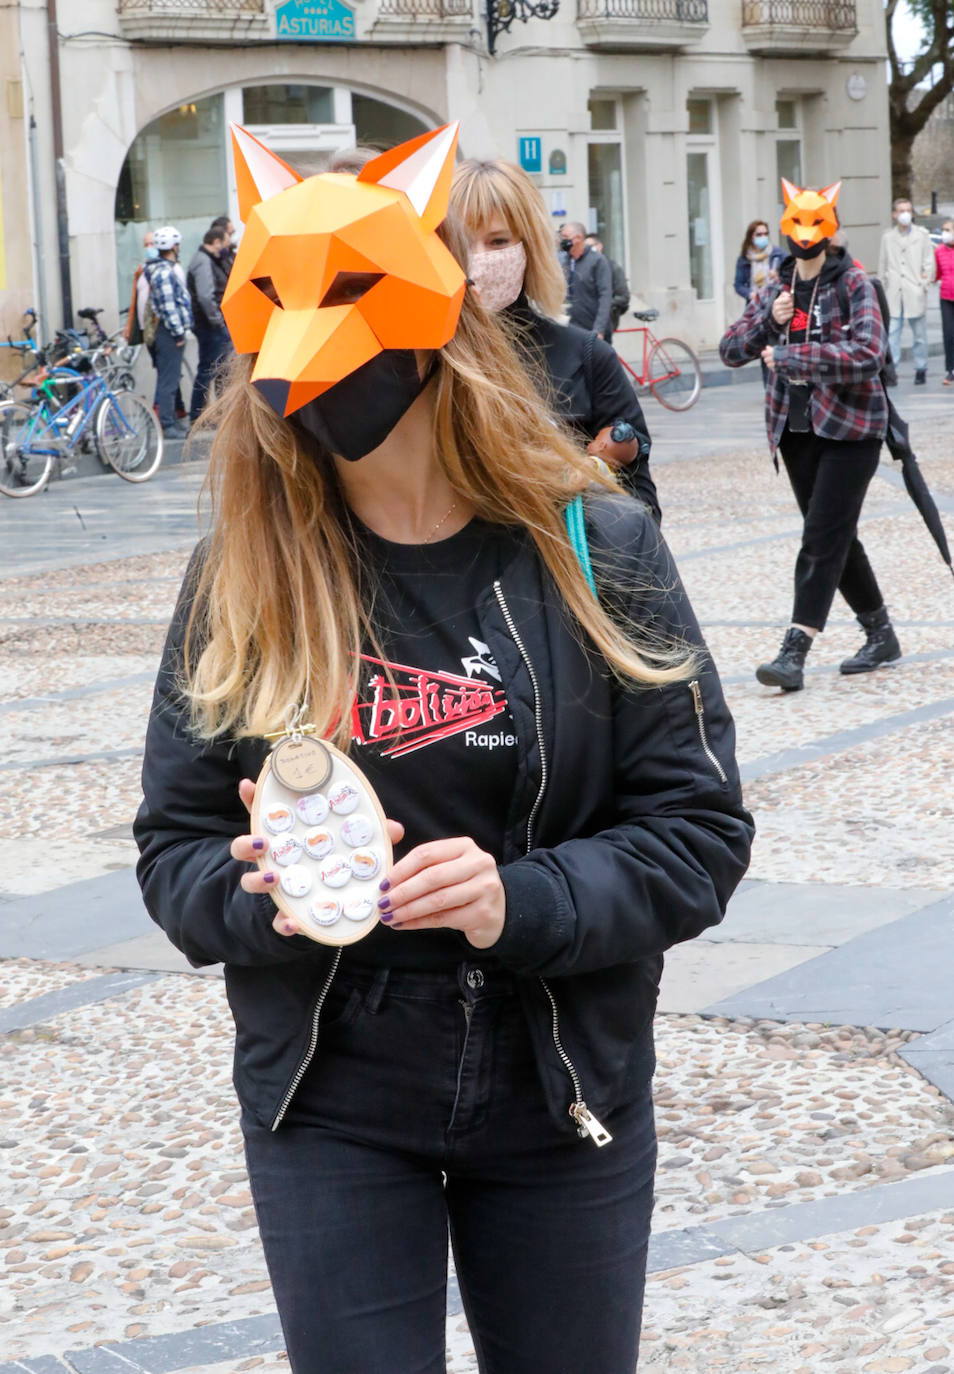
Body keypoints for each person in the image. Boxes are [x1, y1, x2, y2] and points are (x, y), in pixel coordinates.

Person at [135, 123, 753, 1374]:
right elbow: (173, 845)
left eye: (353, 292)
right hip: (332, 1097)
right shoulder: (247, 575)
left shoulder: (596, 549)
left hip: (558, 1087)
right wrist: (262, 898)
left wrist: (515, 901)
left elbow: (700, 832)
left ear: (434, 318)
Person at [720, 178, 902, 690]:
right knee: (836, 534)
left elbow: (869, 355)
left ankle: (794, 652)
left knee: (820, 537)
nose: (805, 235)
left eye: (814, 224)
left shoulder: (853, 284)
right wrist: (767, 325)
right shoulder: (773, 287)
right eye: (796, 224)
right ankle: (880, 632)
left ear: (830, 226)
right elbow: (729, 350)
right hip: (795, 431)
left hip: (851, 430)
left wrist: (795, 356)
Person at [452, 159, 660, 522]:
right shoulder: (422, 362)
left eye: (498, 240)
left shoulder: (588, 357)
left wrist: (583, 476)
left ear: (528, 247)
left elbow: (641, 512)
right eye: (464, 243)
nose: (479, 259)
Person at [878, 198, 935, 384]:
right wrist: (882, 289)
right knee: (892, 332)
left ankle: (921, 368)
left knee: (919, 334)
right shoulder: (888, 237)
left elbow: (929, 262)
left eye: (908, 210)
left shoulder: (922, 235)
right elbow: (882, 265)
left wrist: (923, 284)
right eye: (901, 210)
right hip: (894, 291)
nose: (905, 214)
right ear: (894, 215)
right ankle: (891, 369)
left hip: (914, 289)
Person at [143, 225, 193, 437]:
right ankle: (167, 424)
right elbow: (168, 306)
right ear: (173, 246)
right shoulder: (164, 272)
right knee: (168, 380)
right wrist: (178, 332)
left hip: (167, 332)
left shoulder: (161, 269)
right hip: (168, 333)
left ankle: (171, 419)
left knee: (170, 377)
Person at [187, 224, 233, 423]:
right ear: (216, 242)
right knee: (208, 370)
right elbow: (206, 296)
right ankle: (197, 416)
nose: (228, 246)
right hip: (210, 326)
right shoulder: (203, 261)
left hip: (212, 324)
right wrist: (218, 322)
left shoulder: (210, 260)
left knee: (221, 369)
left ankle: (220, 413)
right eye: (226, 241)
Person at [560, 221, 613, 341]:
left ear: (578, 238)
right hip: (573, 328)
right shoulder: (566, 262)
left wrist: (599, 330)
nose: (563, 241)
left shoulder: (598, 261)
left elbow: (605, 296)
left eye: (566, 237)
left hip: (593, 330)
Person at [584, 234, 630, 331]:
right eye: (585, 247)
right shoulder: (585, 268)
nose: (588, 250)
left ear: (599, 246)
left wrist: (603, 304)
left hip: (606, 321)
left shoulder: (613, 267)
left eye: (591, 246)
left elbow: (623, 297)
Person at [734, 219, 783, 302]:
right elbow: (738, 285)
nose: (763, 237)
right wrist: (750, 294)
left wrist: (777, 276)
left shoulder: (778, 254)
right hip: (754, 303)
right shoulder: (744, 259)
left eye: (766, 234)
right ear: (751, 237)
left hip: (774, 301)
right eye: (759, 234)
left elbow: (790, 277)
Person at [935, 218, 954, 385]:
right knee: (948, 334)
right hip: (946, 296)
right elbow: (937, 273)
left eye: (949, 230)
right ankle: (950, 370)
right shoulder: (939, 251)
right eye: (944, 229)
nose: (945, 233)